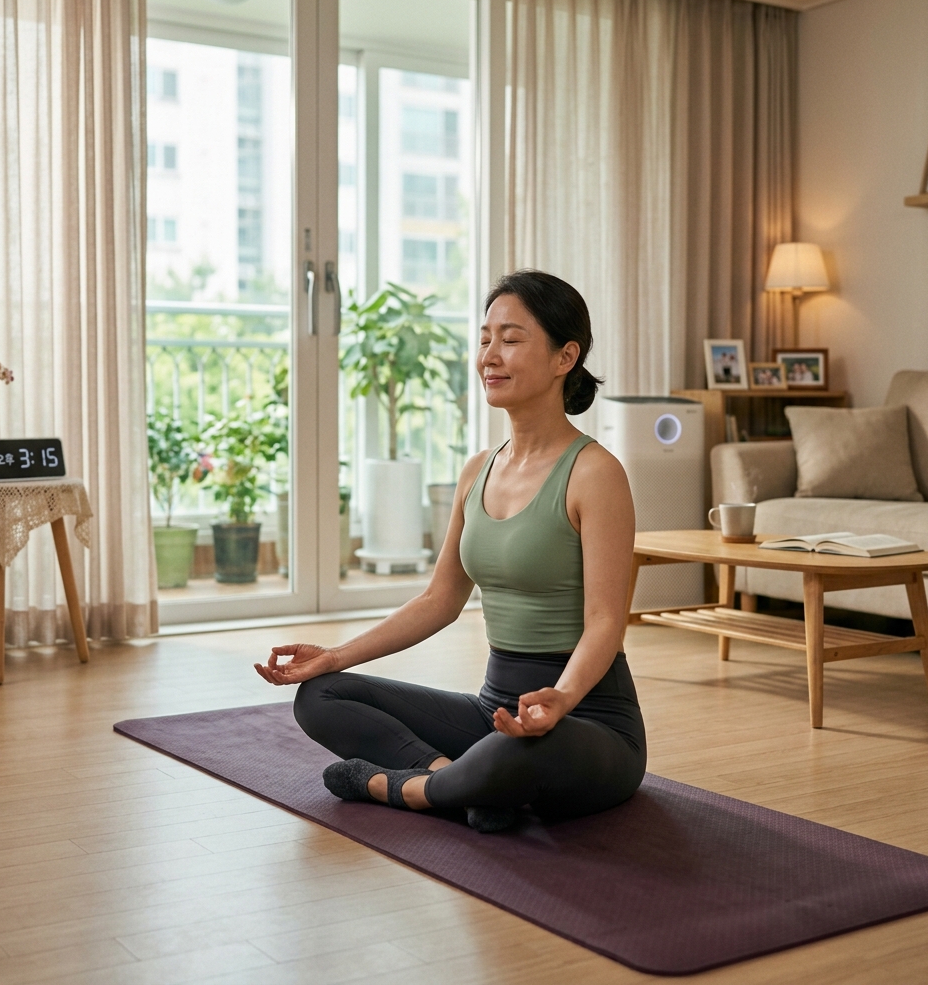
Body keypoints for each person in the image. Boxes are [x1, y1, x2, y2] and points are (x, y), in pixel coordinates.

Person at [255, 269, 646, 832]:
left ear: (565, 357)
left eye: (511, 339)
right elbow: (439, 599)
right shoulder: (477, 471)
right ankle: (459, 784)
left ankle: (402, 788)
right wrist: (336, 656)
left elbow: (606, 622)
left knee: (520, 752)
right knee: (321, 696)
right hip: (494, 712)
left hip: (586, 718)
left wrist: (558, 700)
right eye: (485, 338)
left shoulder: (595, 474)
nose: (490, 354)